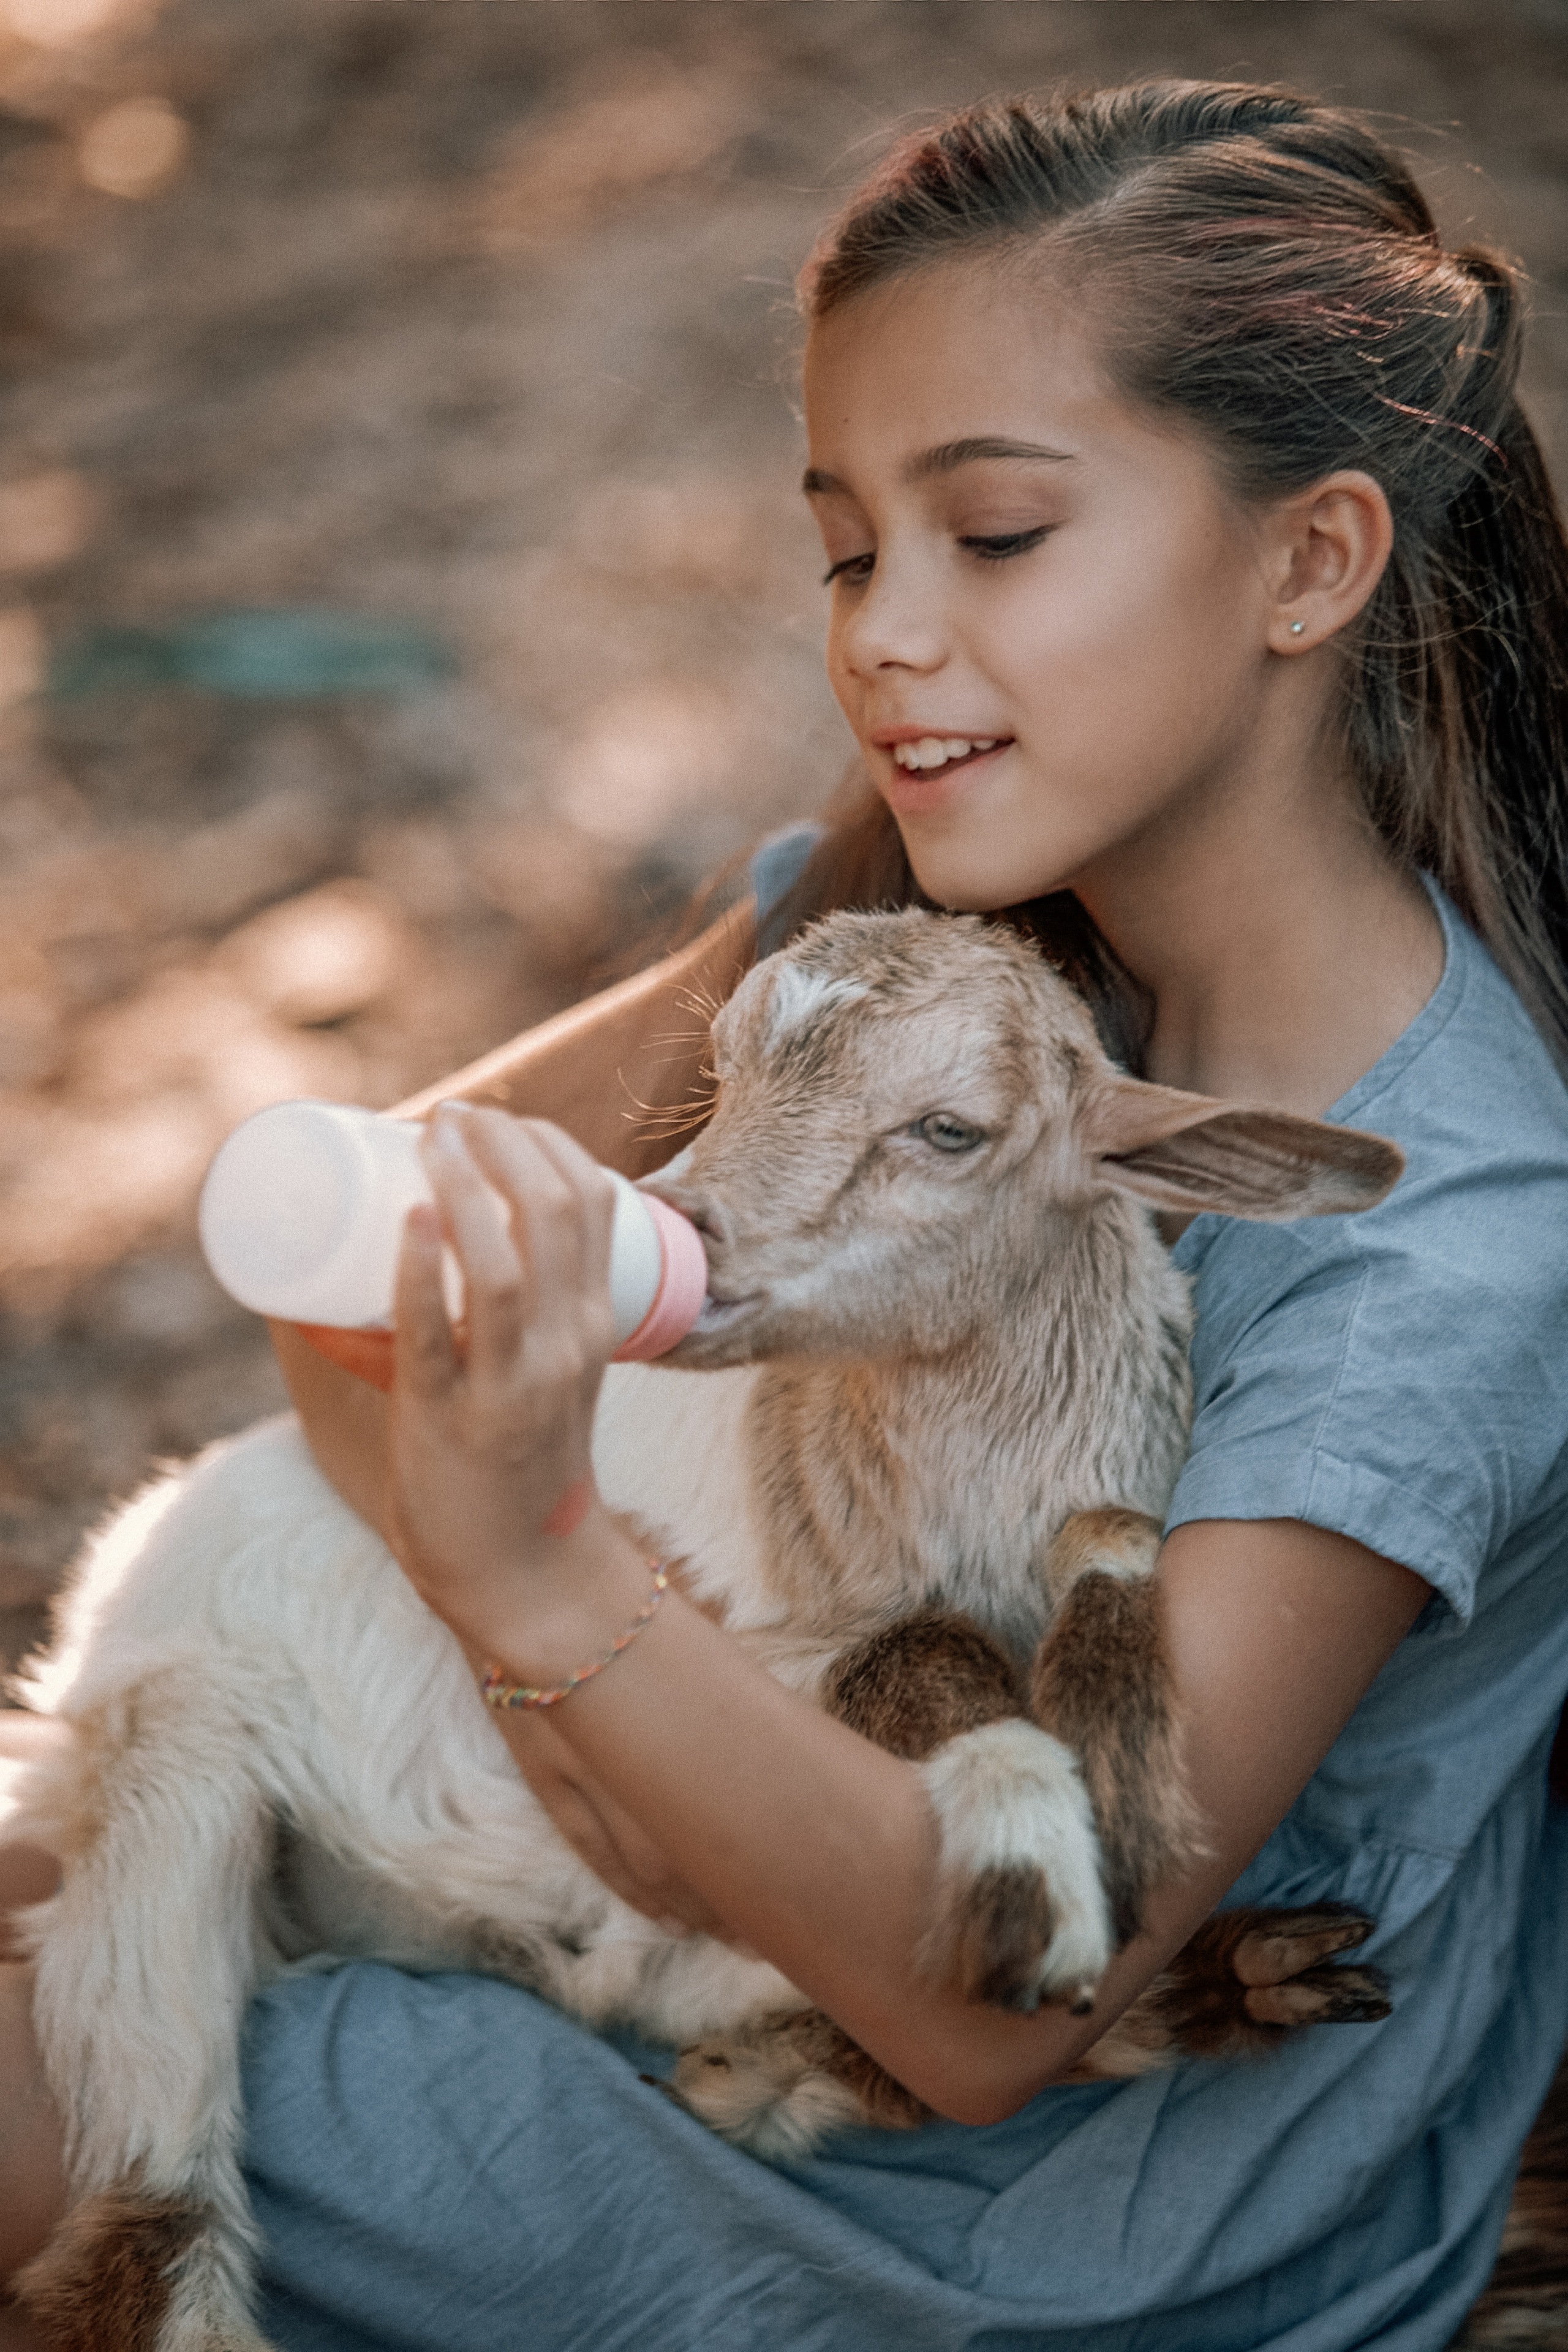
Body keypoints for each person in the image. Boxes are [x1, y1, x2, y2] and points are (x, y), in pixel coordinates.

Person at [4, 77, 1568, 2352]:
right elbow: (353, 1272)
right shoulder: (903, 942)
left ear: (1310, 562)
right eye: (849, 548)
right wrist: (592, 1721)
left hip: (1023, 2212)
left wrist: (533, 1574)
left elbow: (991, 2007)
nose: (884, 637)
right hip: (606, 1911)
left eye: (997, 535)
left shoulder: (1436, 1254)